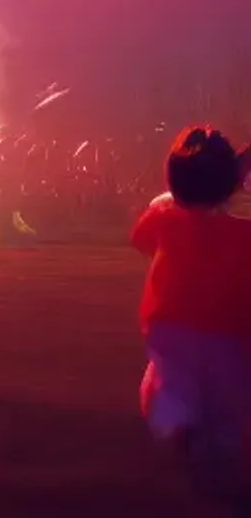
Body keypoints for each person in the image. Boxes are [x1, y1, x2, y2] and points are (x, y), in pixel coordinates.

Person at [131, 126, 251, 498]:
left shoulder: (164, 220)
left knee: (169, 380)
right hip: (230, 333)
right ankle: (219, 448)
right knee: (231, 396)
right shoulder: (244, 235)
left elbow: (140, 239)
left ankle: (177, 421)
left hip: (167, 326)